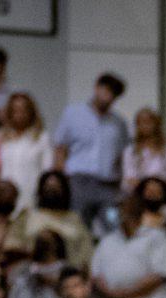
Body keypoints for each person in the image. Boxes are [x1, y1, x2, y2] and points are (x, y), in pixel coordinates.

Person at [51, 75, 129, 227]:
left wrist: (119, 183)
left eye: (113, 94)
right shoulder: (73, 113)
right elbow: (60, 147)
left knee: (113, 224)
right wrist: (62, 177)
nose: (108, 97)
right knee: (77, 226)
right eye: (106, 90)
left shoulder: (119, 123)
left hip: (108, 186)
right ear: (97, 88)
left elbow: (120, 156)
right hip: (78, 182)